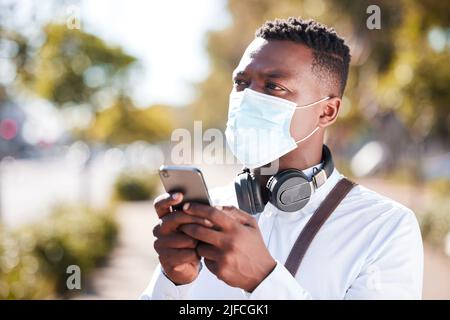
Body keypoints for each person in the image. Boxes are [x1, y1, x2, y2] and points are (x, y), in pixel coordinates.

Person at [141, 17, 423, 300]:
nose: (247, 98)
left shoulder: (386, 227)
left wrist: (263, 281)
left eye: (273, 87)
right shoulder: (210, 210)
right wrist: (173, 282)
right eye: (241, 83)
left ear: (327, 111)